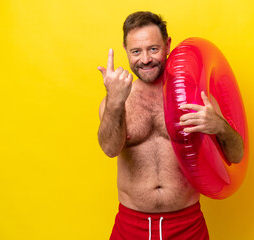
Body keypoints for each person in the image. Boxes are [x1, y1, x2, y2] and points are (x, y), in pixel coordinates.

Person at [97, 11, 244, 240]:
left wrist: (220, 126)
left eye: (153, 49)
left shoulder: (197, 96)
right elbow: (109, 148)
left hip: (188, 225)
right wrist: (115, 101)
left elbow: (236, 155)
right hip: (131, 225)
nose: (145, 59)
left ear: (167, 46)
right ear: (126, 51)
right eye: (136, 51)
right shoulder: (116, 100)